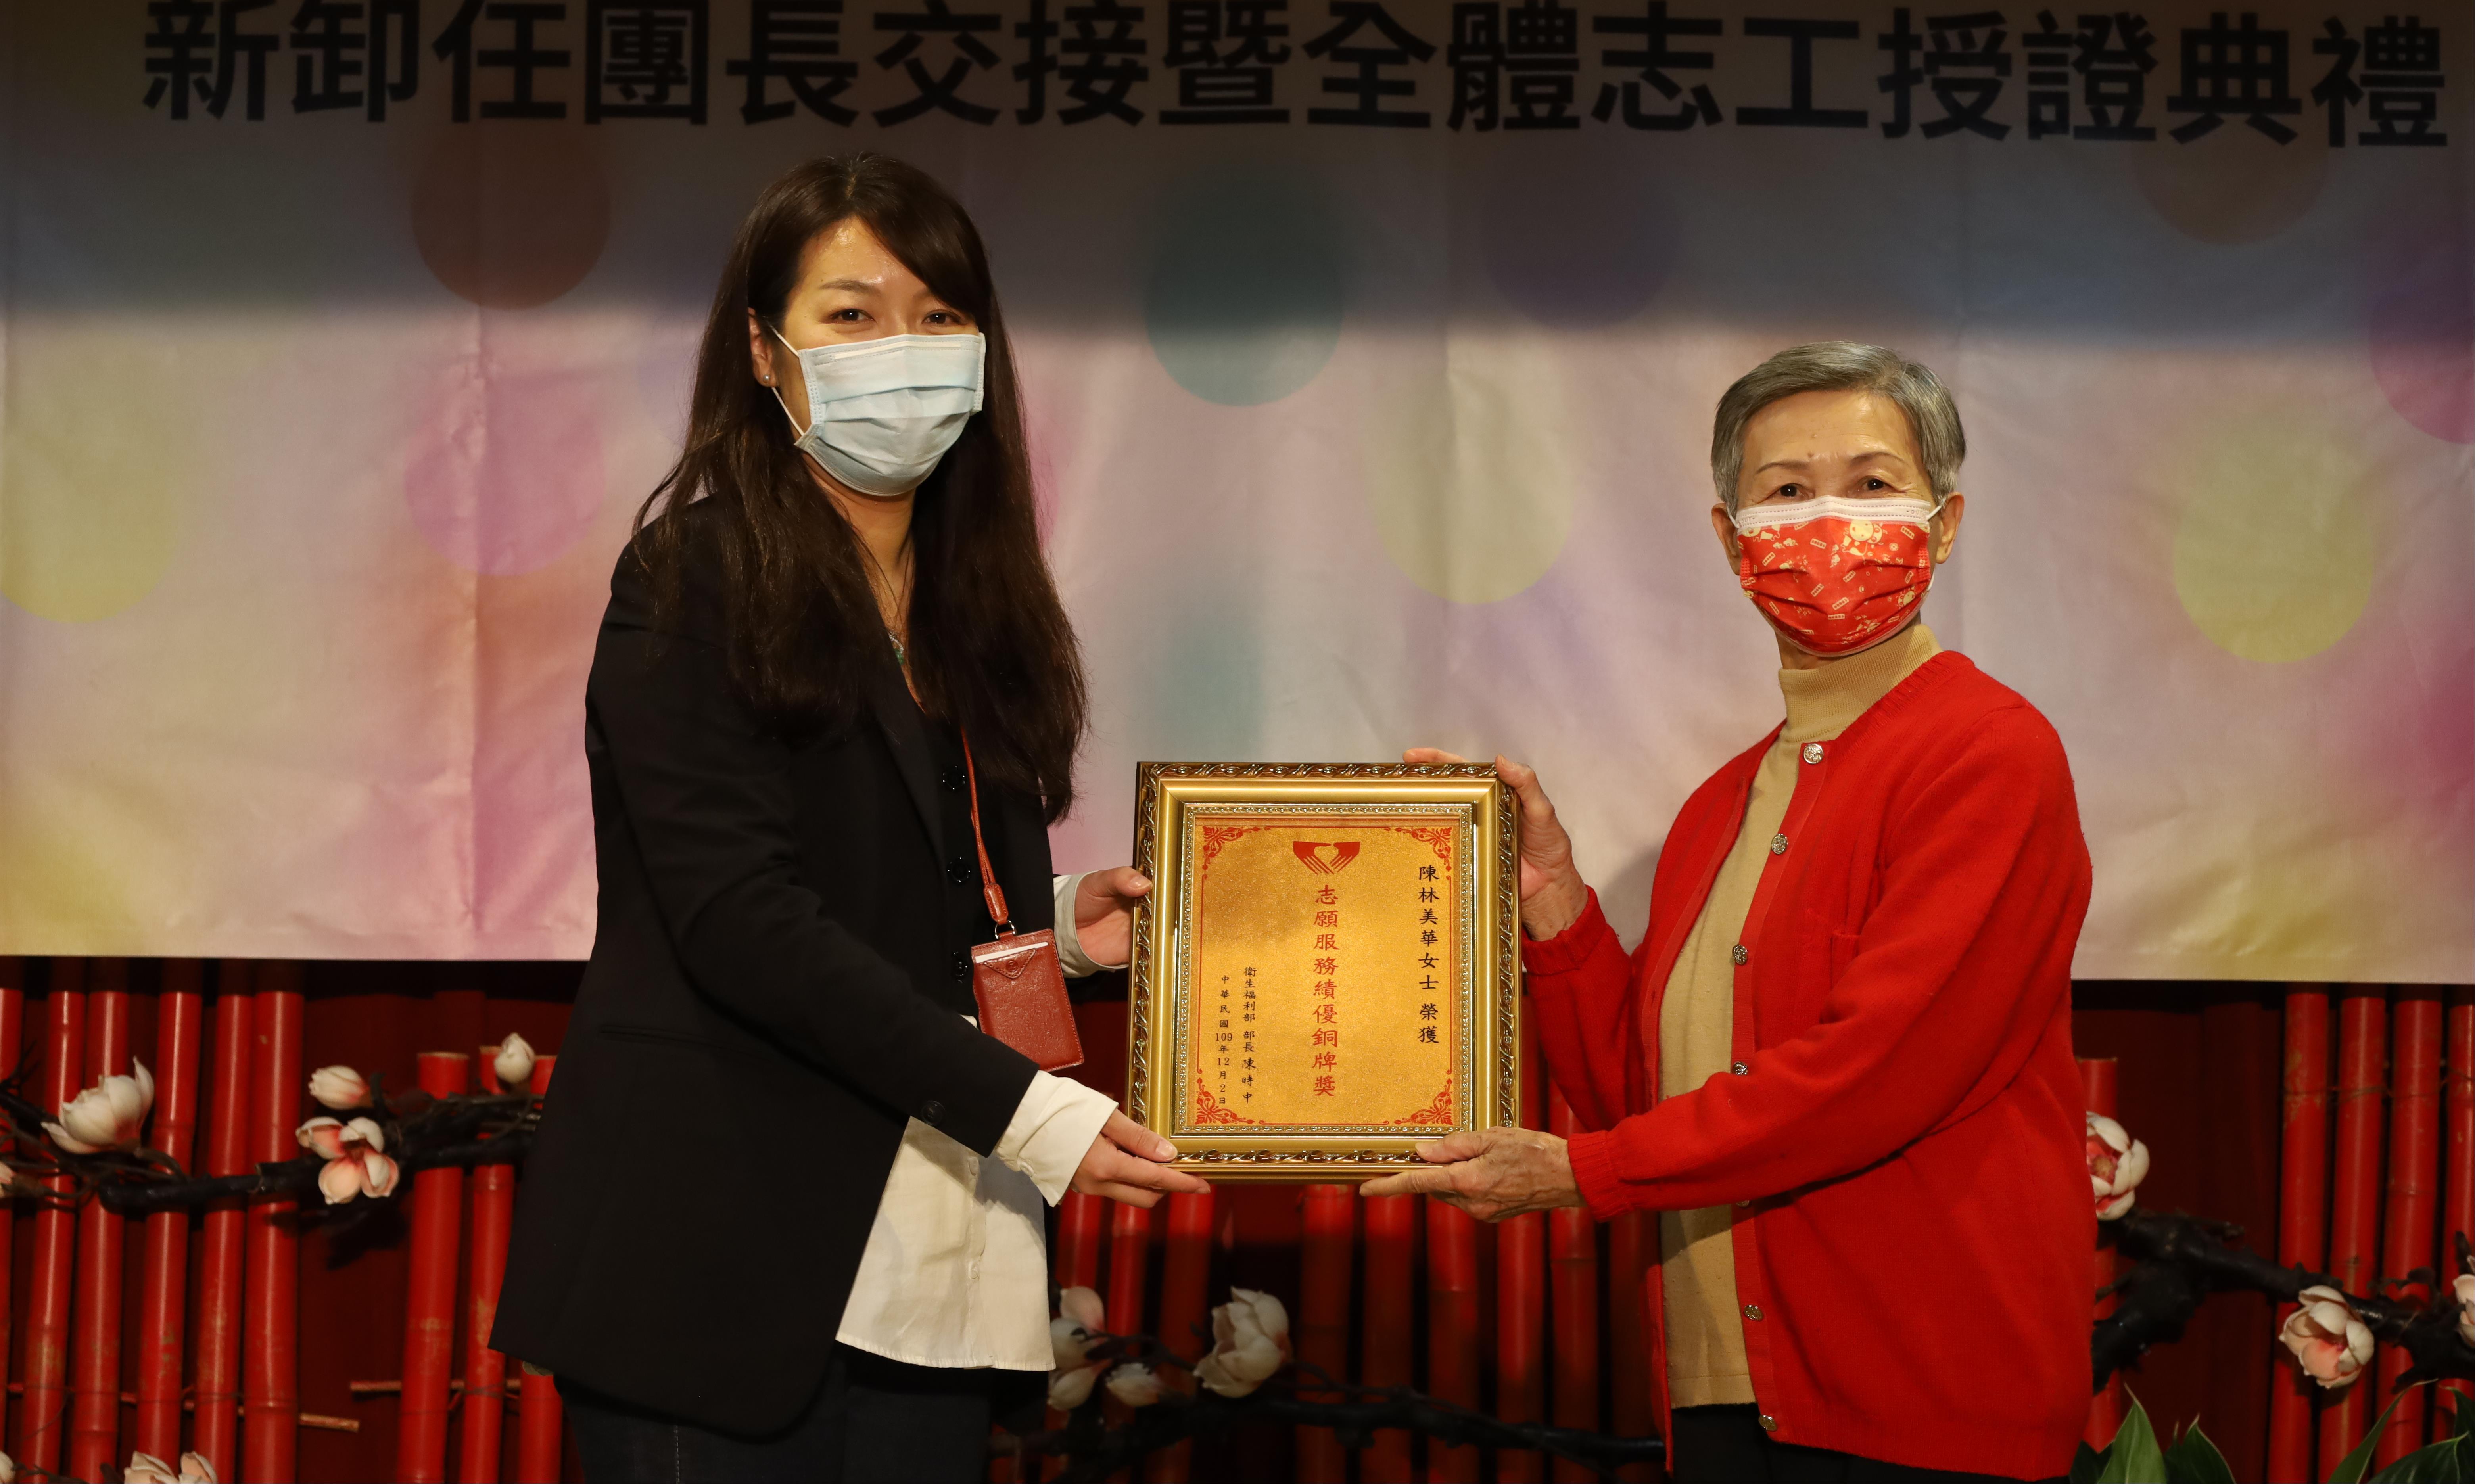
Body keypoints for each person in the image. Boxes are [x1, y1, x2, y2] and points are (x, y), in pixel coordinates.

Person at [494, 154, 1204, 1484]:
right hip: (725, 1268)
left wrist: (1061, 931)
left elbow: (896, 881)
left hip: (936, 1276)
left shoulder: (982, 607)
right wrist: (1034, 1116)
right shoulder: (693, 576)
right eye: (853, 315)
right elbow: (741, 918)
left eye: (939, 317)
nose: (904, 352)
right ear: (766, 352)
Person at [1371, 344, 2092, 1484]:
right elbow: (1642, 1099)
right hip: (1726, 1397)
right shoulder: (1724, 802)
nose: (1829, 524)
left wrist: (1585, 1174)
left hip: (1923, 1403)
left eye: (1871, 483)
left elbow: (1874, 1073)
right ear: (1730, 537)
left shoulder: (1988, 753)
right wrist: (1553, 904)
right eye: (1787, 490)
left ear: (1945, 522)